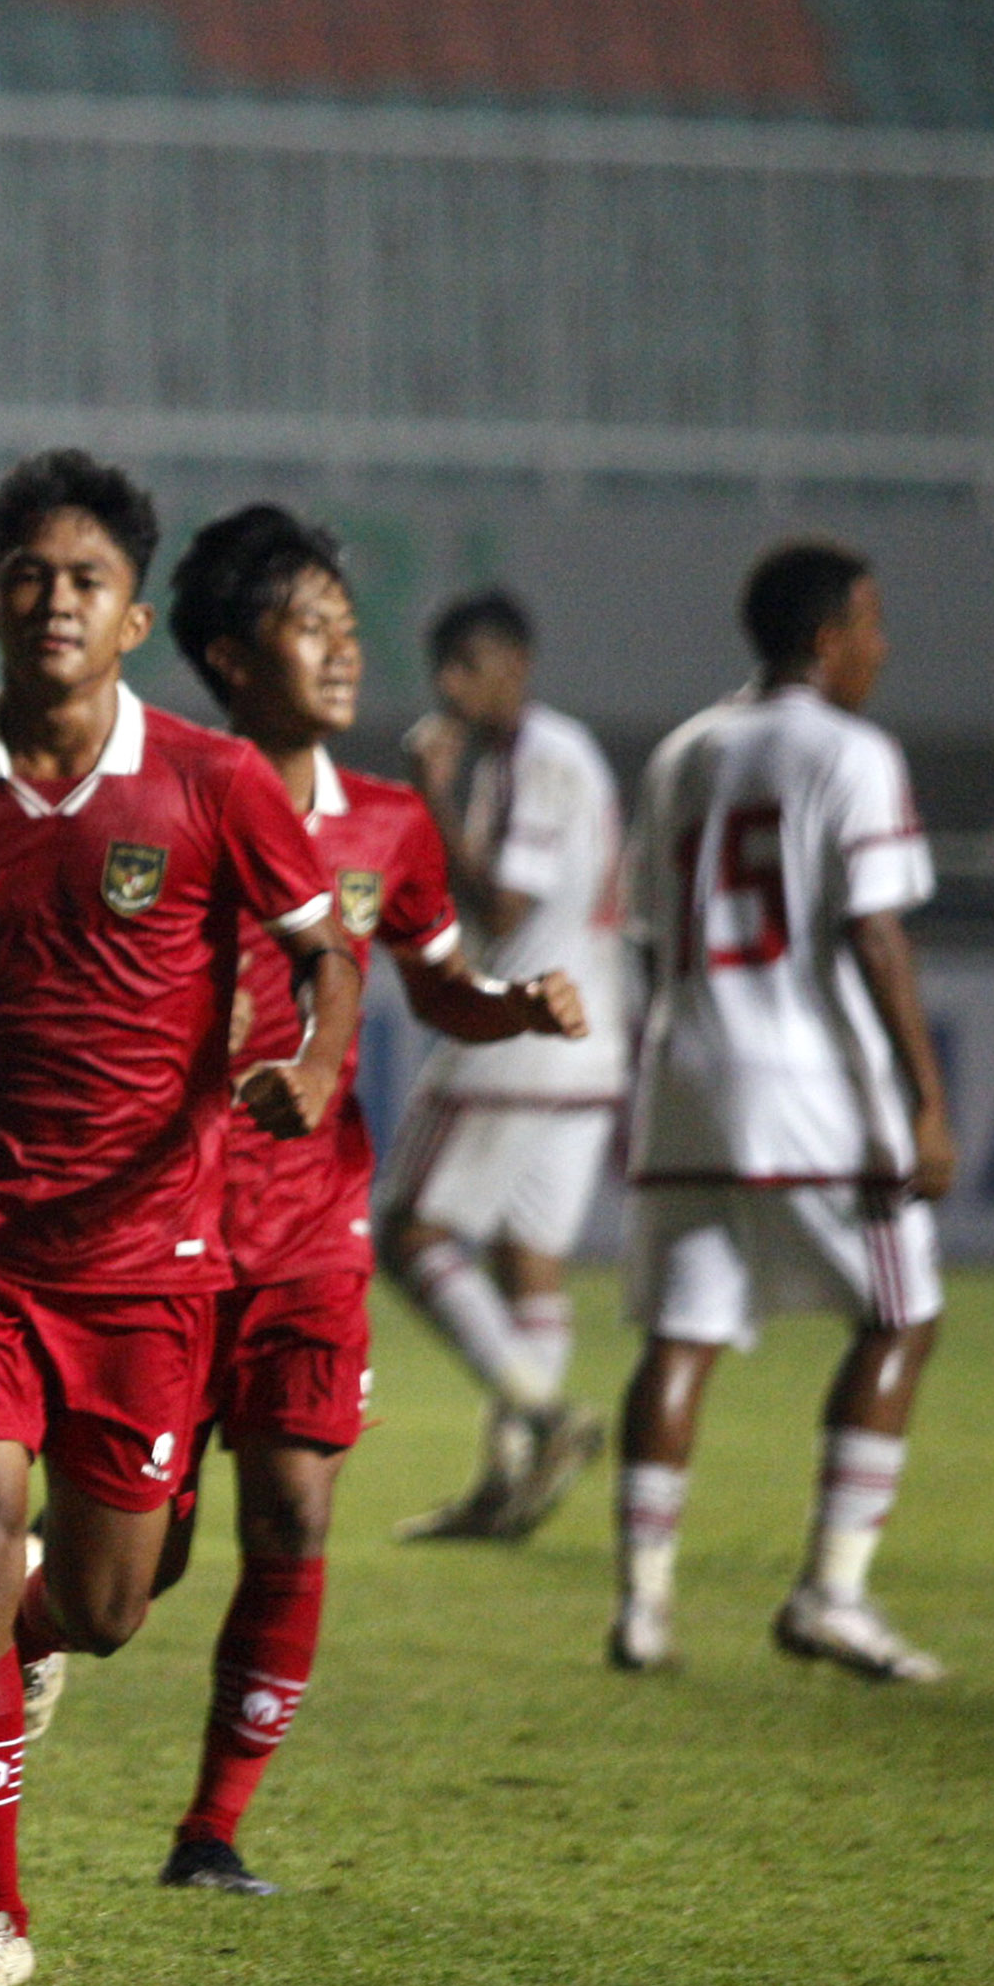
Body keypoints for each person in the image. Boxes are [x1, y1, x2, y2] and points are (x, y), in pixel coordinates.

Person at [0, 451, 357, 1986]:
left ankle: (41, 1633)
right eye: (34, 578)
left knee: (119, 1603)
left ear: (132, 618)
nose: (58, 602)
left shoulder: (212, 782)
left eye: (90, 582)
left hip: (146, 1257)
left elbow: (327, 948)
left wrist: (315, 1067)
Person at [141, 509, 586, 1893]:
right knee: (132, 1570)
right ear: (228, 654)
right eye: (309, 625)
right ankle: (29, 1638)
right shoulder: (158, 790)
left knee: (297, 1512)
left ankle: (212, 1828)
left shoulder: (387, 820)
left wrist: (507, 1007)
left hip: (309, 1224)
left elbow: (433, 973)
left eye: (346, 623)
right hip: (156, 1221)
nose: (345, 650)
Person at [608, 541, 952, 1682]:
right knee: (903, 1317)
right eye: (870, 622)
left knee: (683, 1337)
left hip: (687, 1071)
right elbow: (872, 930)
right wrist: (924, 1099)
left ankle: (643, 1608)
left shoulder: (680, 753)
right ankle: (830, 1595)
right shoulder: (851, 753)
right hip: (811, 1088)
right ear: (825, 637)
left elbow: (649, 938)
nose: (880, 645)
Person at [382, 589, 632, 1541]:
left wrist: (430, 796)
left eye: (465, 666)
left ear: (513, 664)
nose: (447, 687)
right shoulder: (553, 757)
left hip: (522, 1028)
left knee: (411, 1232)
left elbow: (506, 910)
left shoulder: (536, 757)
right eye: (443, 667)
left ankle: (542, 1413)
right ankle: (509, 1482)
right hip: (592, 1042)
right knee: (529, 1263)